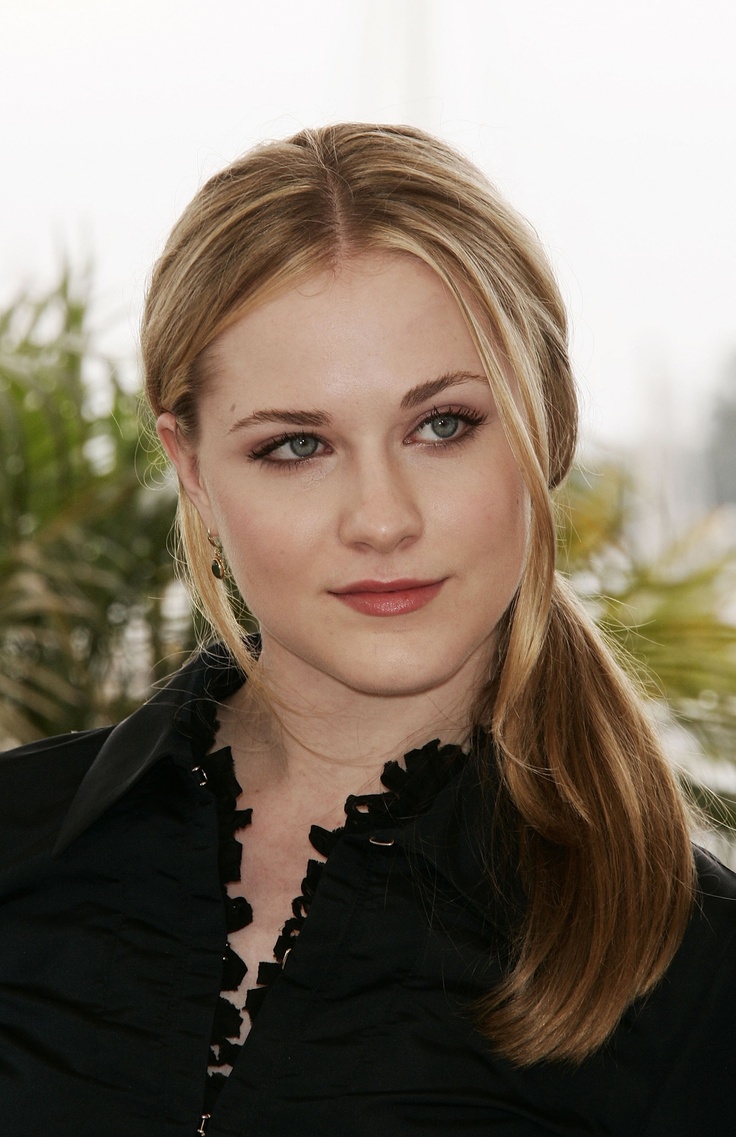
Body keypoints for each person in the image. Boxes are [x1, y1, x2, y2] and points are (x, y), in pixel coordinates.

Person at [1, 123, 735, 1137]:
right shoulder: (17, 845)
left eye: (442, 426)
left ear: (547, 423)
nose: (381, 519)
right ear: (193, 468)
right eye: (296, 445)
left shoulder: (701, 967)